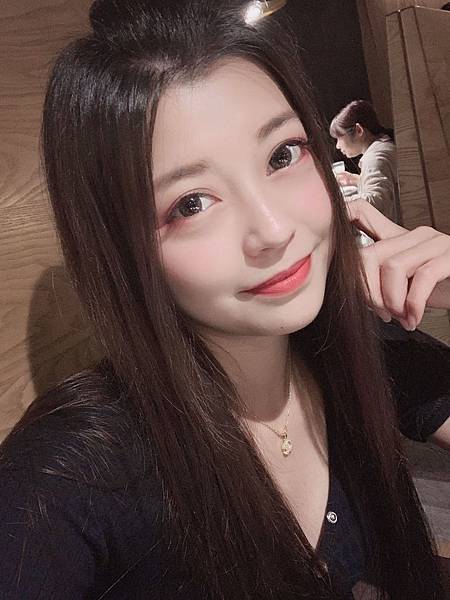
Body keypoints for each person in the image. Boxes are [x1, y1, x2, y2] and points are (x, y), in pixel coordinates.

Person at [1, 1, 450, 598]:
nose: (274, 230)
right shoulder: (72, 474)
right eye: (191, 203)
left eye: (282, 155)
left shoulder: (358, 342)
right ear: (119, 246)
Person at [330, 100, 400, 223]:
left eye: (340, 138)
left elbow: (377, 202)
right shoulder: (384, 143)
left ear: (359, 130)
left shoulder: (374, 157)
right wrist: (357, 180)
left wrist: (335, 204)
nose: (338, 146)